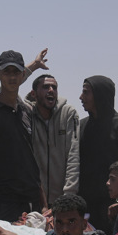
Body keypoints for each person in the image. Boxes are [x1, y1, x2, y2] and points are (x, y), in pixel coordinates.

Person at [0, 50, 45, 221]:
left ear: (22, 75)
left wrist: (44, 204)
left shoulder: (27, 110)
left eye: (16, 72)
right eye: (7, 72)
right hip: (7, 202)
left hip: (34, 201)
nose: (12, 77)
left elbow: (31, 159)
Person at [64, 76, 118, 233]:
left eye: (86, 92)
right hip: (86, 207)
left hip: (112, 208)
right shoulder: (83, 126)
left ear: (100, 95)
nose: (81, 97)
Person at [28, 74, 80, 205]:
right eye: (46, 87)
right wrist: (32, 66)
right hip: (34, 200)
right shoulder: (27, 114)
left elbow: (73, 156)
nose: (51, 90)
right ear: (33, 94)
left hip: (62, 200)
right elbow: (8, 87)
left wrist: (69, 196)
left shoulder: (68, 113)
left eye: (54, 87)